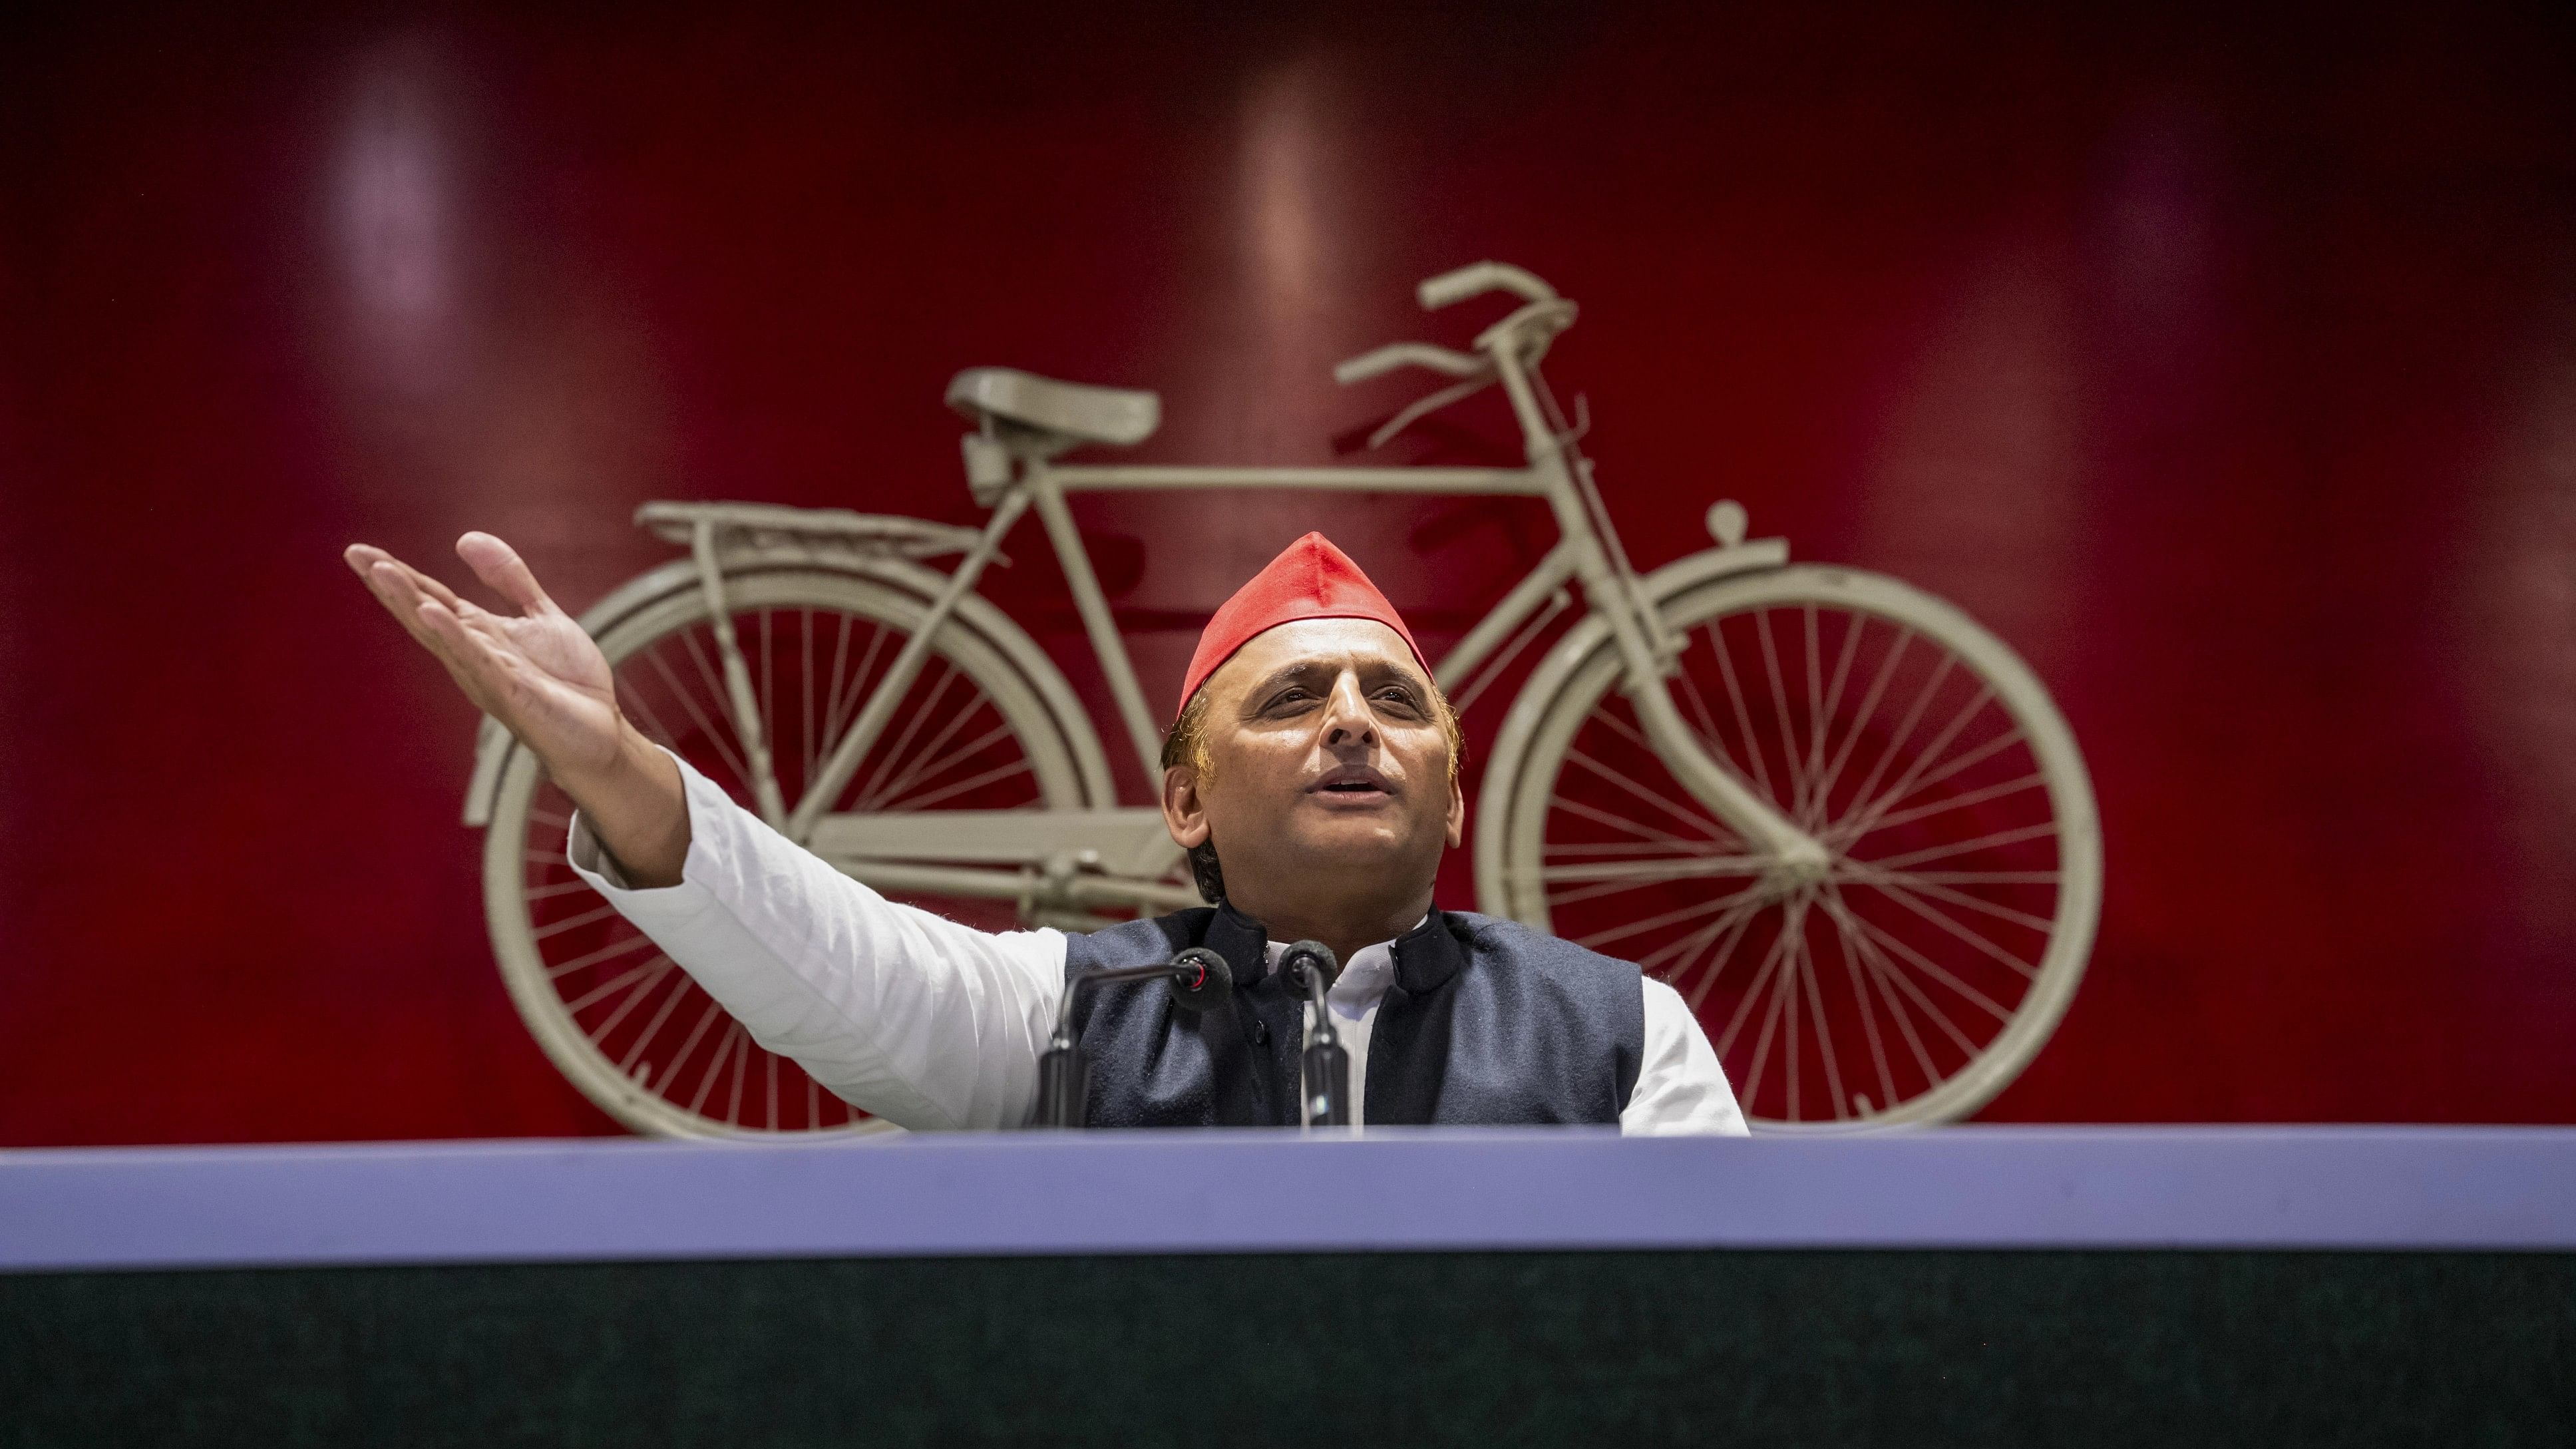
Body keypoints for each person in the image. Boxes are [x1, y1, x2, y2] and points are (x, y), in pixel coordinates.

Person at [345, 528, 1746, 1133]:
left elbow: (1721, 1346)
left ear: (1450, 789)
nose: (1352, 722)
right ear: (1185, 801)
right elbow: (838, 965)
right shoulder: (1069, 1015)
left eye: (1393, 698)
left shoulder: (1622, 1031)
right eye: (1293, 699)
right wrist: (624, 771)